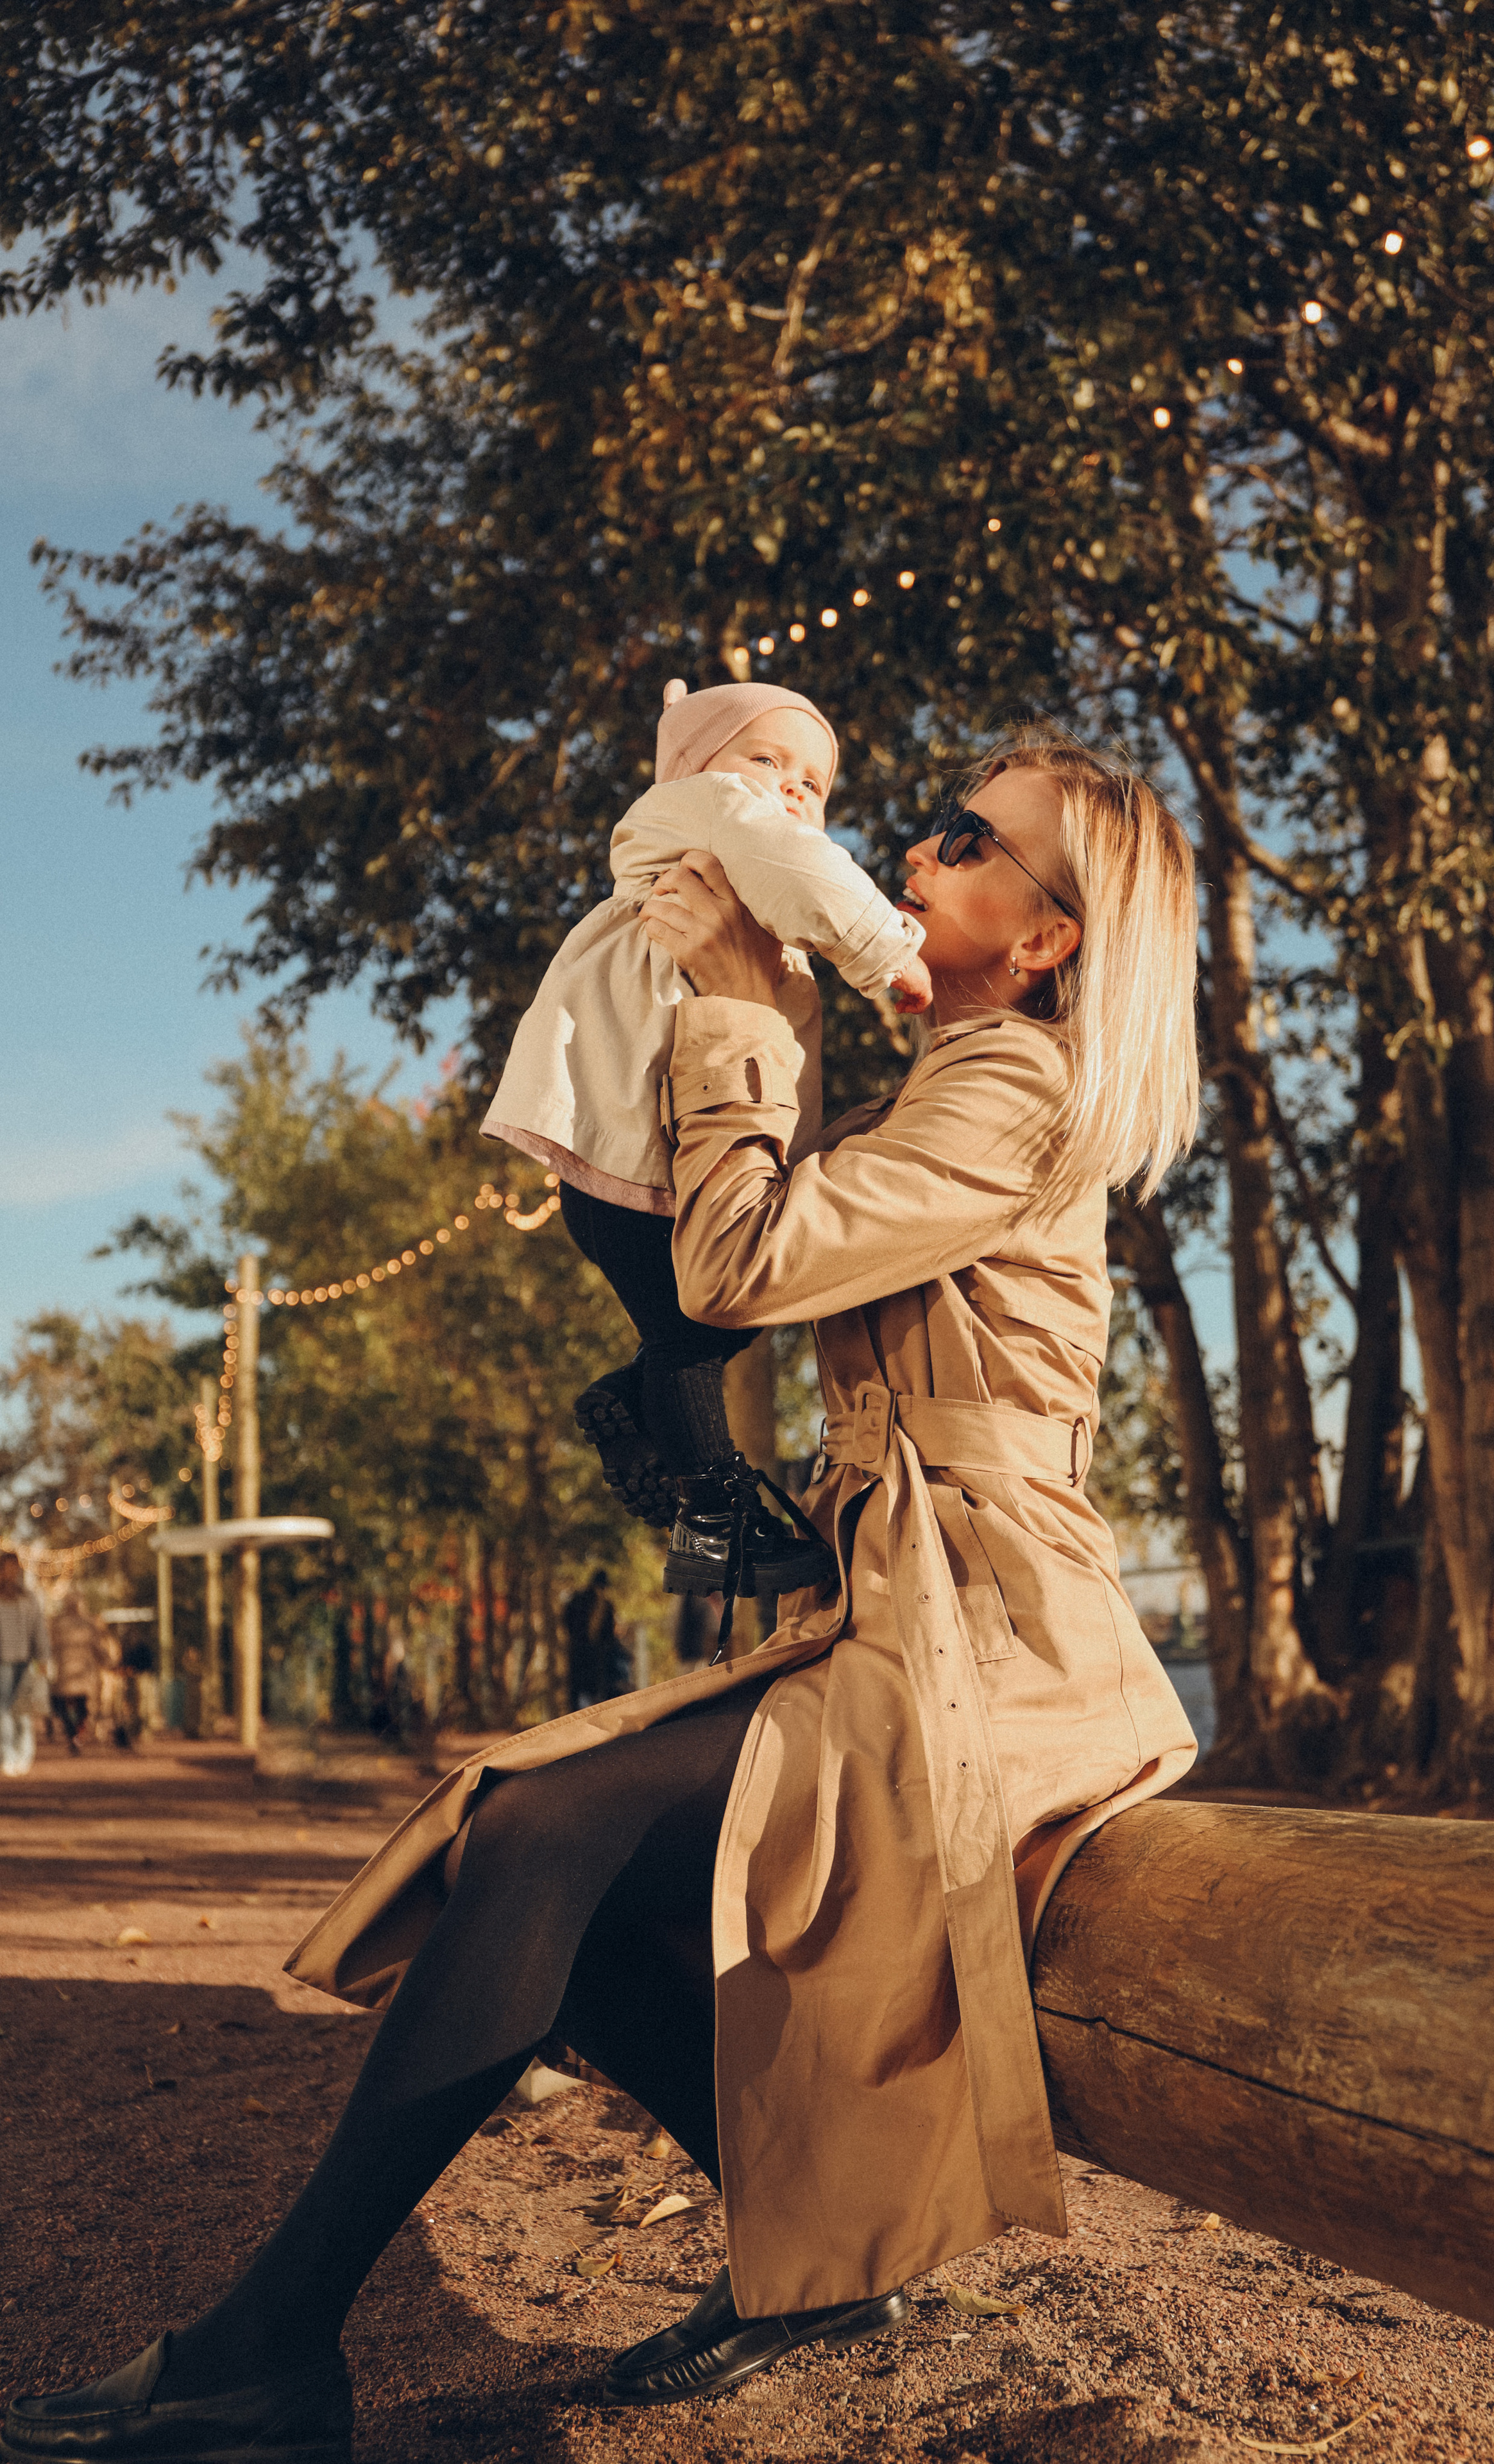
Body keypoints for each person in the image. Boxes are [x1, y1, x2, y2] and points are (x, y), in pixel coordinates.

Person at [3, 728, 1201, 2461]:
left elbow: (735, 1271)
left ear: (1046, 941)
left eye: (965, 840)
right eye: (927, 828)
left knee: (546, 1833)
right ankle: (811, 2265)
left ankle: (266, 2350)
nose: (913, 855)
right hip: (893, 1620)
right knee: (554, 1872)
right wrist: (749, 1013)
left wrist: (733, 1005)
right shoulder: (956, 1082)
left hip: (991, 1647)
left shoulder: (1014, 1086)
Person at [483, 678, 932, 1608]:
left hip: (661, 1158)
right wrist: (890, 951)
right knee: (695, 1332)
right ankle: (717, 1522)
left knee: (730, 1311)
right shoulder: (714, 820)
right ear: (693, 771)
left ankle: (628, 1405)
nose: (791, 788)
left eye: (814, 778)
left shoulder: (744, 875)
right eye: (765, 758)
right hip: (640, 1149)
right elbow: (805, 869)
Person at [0, 1552, 51, 1780]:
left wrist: (43, 1659)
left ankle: (24, 1754)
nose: (11, 1574)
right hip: (2, 1662)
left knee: (22, 1711)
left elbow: (38, 1631)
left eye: (14, 1568)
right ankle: (7, 1756)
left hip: (25, 1662)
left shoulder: (28, 1599)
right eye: (6, 1568)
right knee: (2, 1711)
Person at [47, 1589, 117, 1755]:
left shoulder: (62, 1623)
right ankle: (76, 1735)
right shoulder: (80, 1623)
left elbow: (96, 1646)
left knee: (70, 1707)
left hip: (72, 1674)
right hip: (78, 1674)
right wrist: (108, 1662)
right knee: (78, 1708)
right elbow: (97, 1647)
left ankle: (74, 1735)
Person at [563, 1571, 632, 1709]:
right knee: (592, 1692)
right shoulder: (604, 1604)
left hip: (580, 1653)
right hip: (594, 1657)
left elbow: (566, 1621)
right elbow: (608, 1635)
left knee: (578, 1693)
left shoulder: (577, 1600)